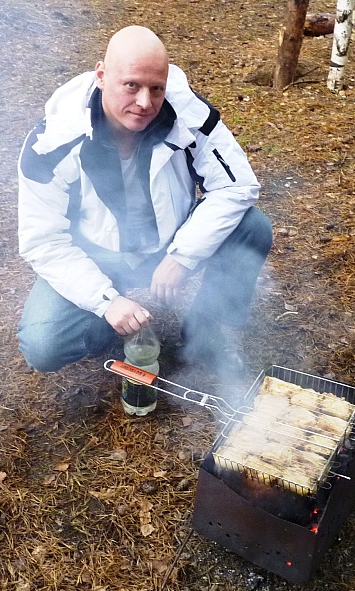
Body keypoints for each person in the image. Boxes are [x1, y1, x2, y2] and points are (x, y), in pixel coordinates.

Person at [17, 25, 272, 376]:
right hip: (97, 256)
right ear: (101, 75)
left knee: (252, 227)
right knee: (43, 345)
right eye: (131, 85)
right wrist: (106, 302)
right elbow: (44, 242)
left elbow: (237, 186)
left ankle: (206, 331)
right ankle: (108, 324)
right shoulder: (54, 141)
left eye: (156, 89)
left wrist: (183, 255)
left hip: (168, 243)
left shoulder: (188, 115)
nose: (145, 103)